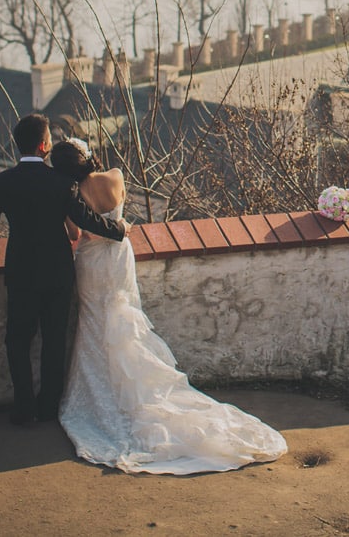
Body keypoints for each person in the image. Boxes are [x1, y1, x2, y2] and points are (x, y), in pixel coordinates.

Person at [49, 137, 287, 474]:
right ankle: (135, 387)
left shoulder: (71, 195)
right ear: (90, 157)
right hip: (118, 259)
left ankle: (101, 391)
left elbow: (75, 235)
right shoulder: (115, 176)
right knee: (125, 315)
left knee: (94, 322)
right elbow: (119, 213)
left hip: (90, 263)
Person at [0, 114, 127, 426]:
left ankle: (23, 408)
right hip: (57, 273)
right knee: (54, 342)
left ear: (19, 145)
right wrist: (119, 230)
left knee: (17, 340)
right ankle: (48, 408)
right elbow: (84, 220)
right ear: (45, 145)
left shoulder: (1, 182)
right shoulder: (62, 183)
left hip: (22, 273)